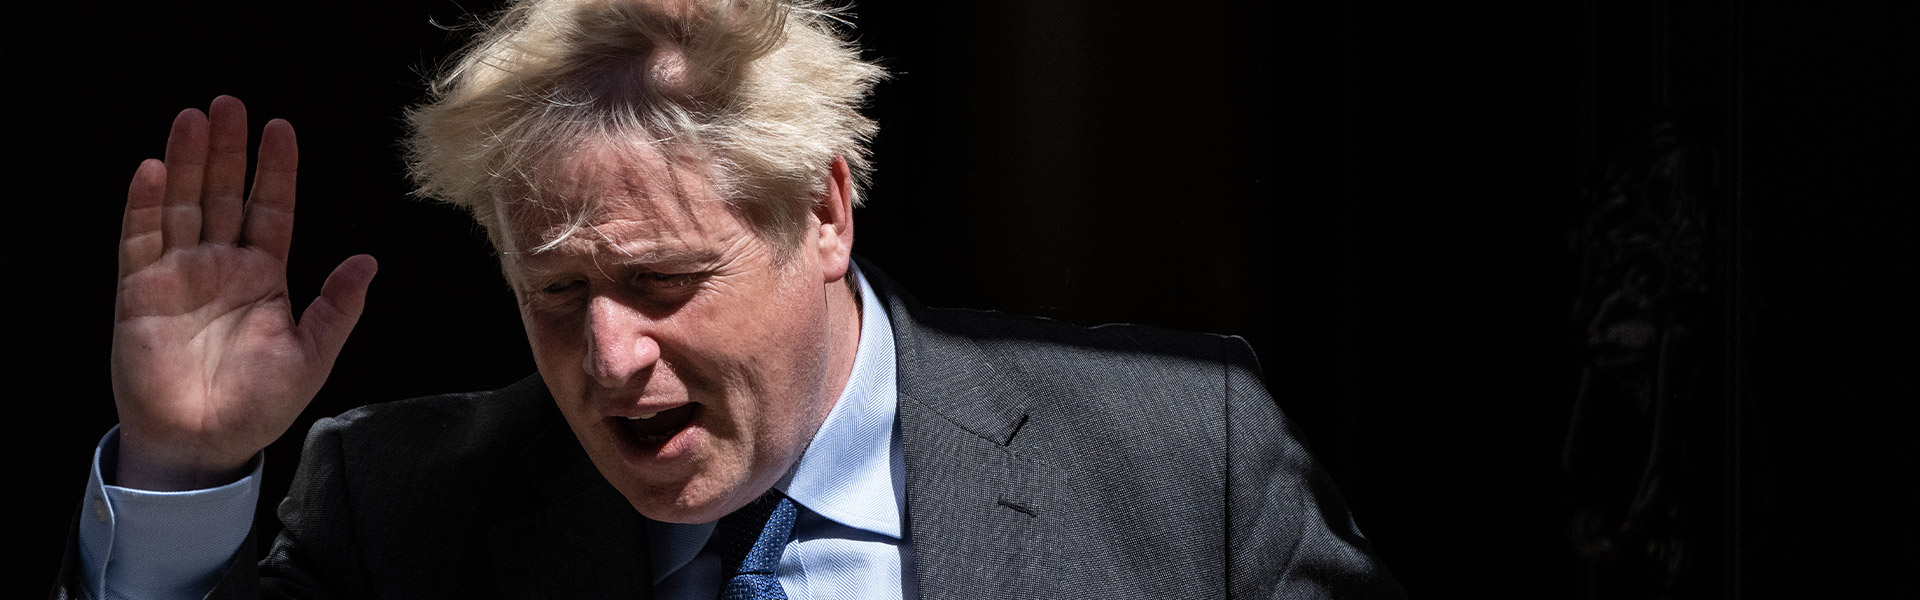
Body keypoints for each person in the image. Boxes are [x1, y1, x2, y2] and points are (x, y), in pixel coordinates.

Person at [55, 0, 1403, 598]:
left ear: (822, 211)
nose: (609, 355)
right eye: (557, 289)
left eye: (660, 281)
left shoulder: (1185, 461)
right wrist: (180, 471)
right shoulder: (400, 511)